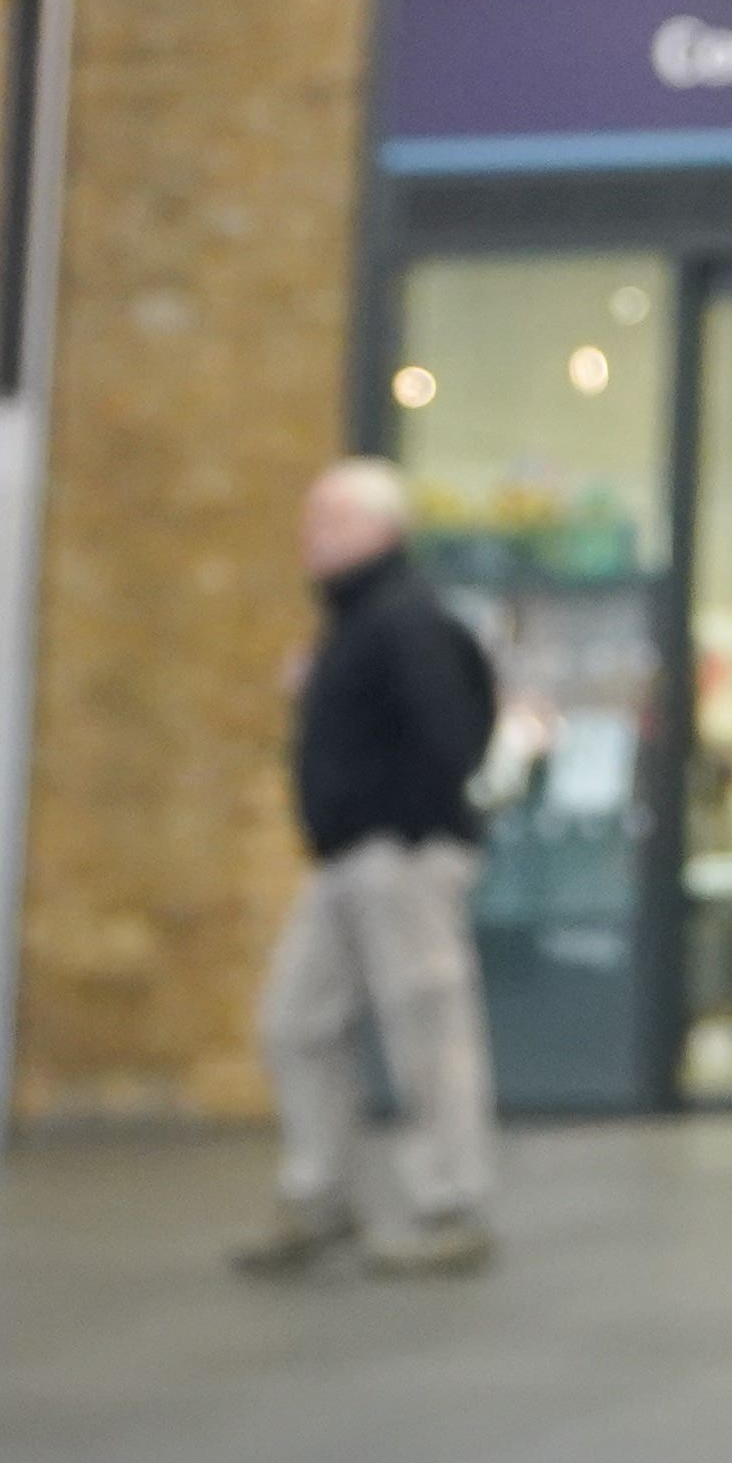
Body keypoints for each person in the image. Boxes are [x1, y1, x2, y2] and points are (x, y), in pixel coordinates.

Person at [234, 458, 501, 1278]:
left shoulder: (405, 619)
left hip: (398, 853)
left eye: (331, 520)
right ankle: (318, 1191)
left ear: (382, 530)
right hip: (345, 857)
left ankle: (450, 1204)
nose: (311, 536)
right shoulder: (354, 624)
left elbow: (451, 733)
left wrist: (409, 826)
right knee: (295, 1020)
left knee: (426, 1028)